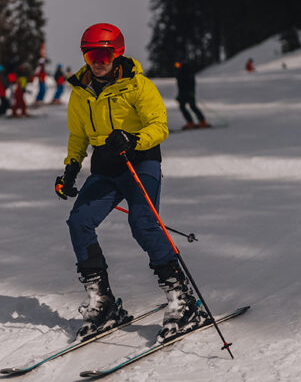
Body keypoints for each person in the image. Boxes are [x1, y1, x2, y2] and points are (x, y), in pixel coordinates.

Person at [54, 23, 206, 343]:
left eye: (104, 55)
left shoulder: (137, 85)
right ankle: (103, 301)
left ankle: (182, 299)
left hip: (140, 161)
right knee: (79, 221)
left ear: (117, 53)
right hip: (106, 167)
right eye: (91, 55)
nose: (98, 61)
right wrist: (70, 169)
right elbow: (78, 135)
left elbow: (159, 126)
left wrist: (133, 139)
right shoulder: (81, 92)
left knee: (143, 223)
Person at [174, 60, 209, 130]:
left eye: (178, 64)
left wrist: (191, 91)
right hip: (182, 93)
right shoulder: (179, 71)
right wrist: (179, 94)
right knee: (182, 107)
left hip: (189, 92)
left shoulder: (187, 70)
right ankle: (190, 122)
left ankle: (202, 122)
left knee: (192, 106)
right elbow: (180, 85)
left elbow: (191, 82)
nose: (177, 65)